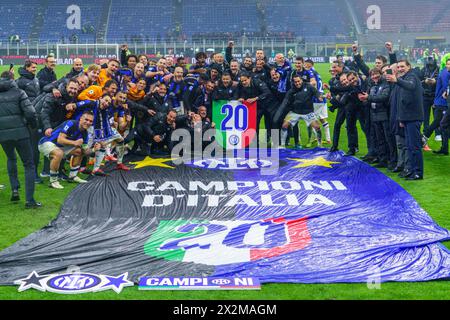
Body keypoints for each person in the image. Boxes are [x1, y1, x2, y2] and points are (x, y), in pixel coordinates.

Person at [0, 71, 41, 208]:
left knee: (11, 159)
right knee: (29, 165)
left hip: (3, 135)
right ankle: (29, 200)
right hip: (21, 133)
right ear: (12, 79)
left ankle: (15, 189)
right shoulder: (19, 92)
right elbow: (30, 112)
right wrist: (33, 126)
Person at [38, 111, 100, 189]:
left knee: (79, 151)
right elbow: (60, 140)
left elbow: (85, 151)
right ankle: (53, 181)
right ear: (81, 119)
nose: (88, 122)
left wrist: (94, 149)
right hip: (47, 142)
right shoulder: (71, 123)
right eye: (86, 119)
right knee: (59, 153)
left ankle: (73, 176)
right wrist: (75, 143)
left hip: (60, 146)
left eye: (90, 121)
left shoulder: (85, 133)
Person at [386, 60, 424, 180]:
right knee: (409, 146)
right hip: (407, 118)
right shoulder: (405, 78)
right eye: (399, 67)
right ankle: (412, 171)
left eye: (402, 66)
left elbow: (411, 86)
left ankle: (417, 172)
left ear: (409, 66)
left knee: (414, 146)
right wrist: (401, 118)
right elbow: (401, 102)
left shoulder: (412, 76)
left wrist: (397, 80)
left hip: (413, 118)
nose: (400, 69)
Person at [278, 75, 323, 147]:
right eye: (295, 82)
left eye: (298, 81)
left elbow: (316, 92)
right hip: (294, 112)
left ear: (301, 80)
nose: (297, 83)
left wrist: (319, 97)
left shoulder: (309, 86)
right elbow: (286, 101)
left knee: (317, 127)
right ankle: (282, 145)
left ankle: (320, 145)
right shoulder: (291, 90)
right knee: (284, 125)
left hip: (308, 112)